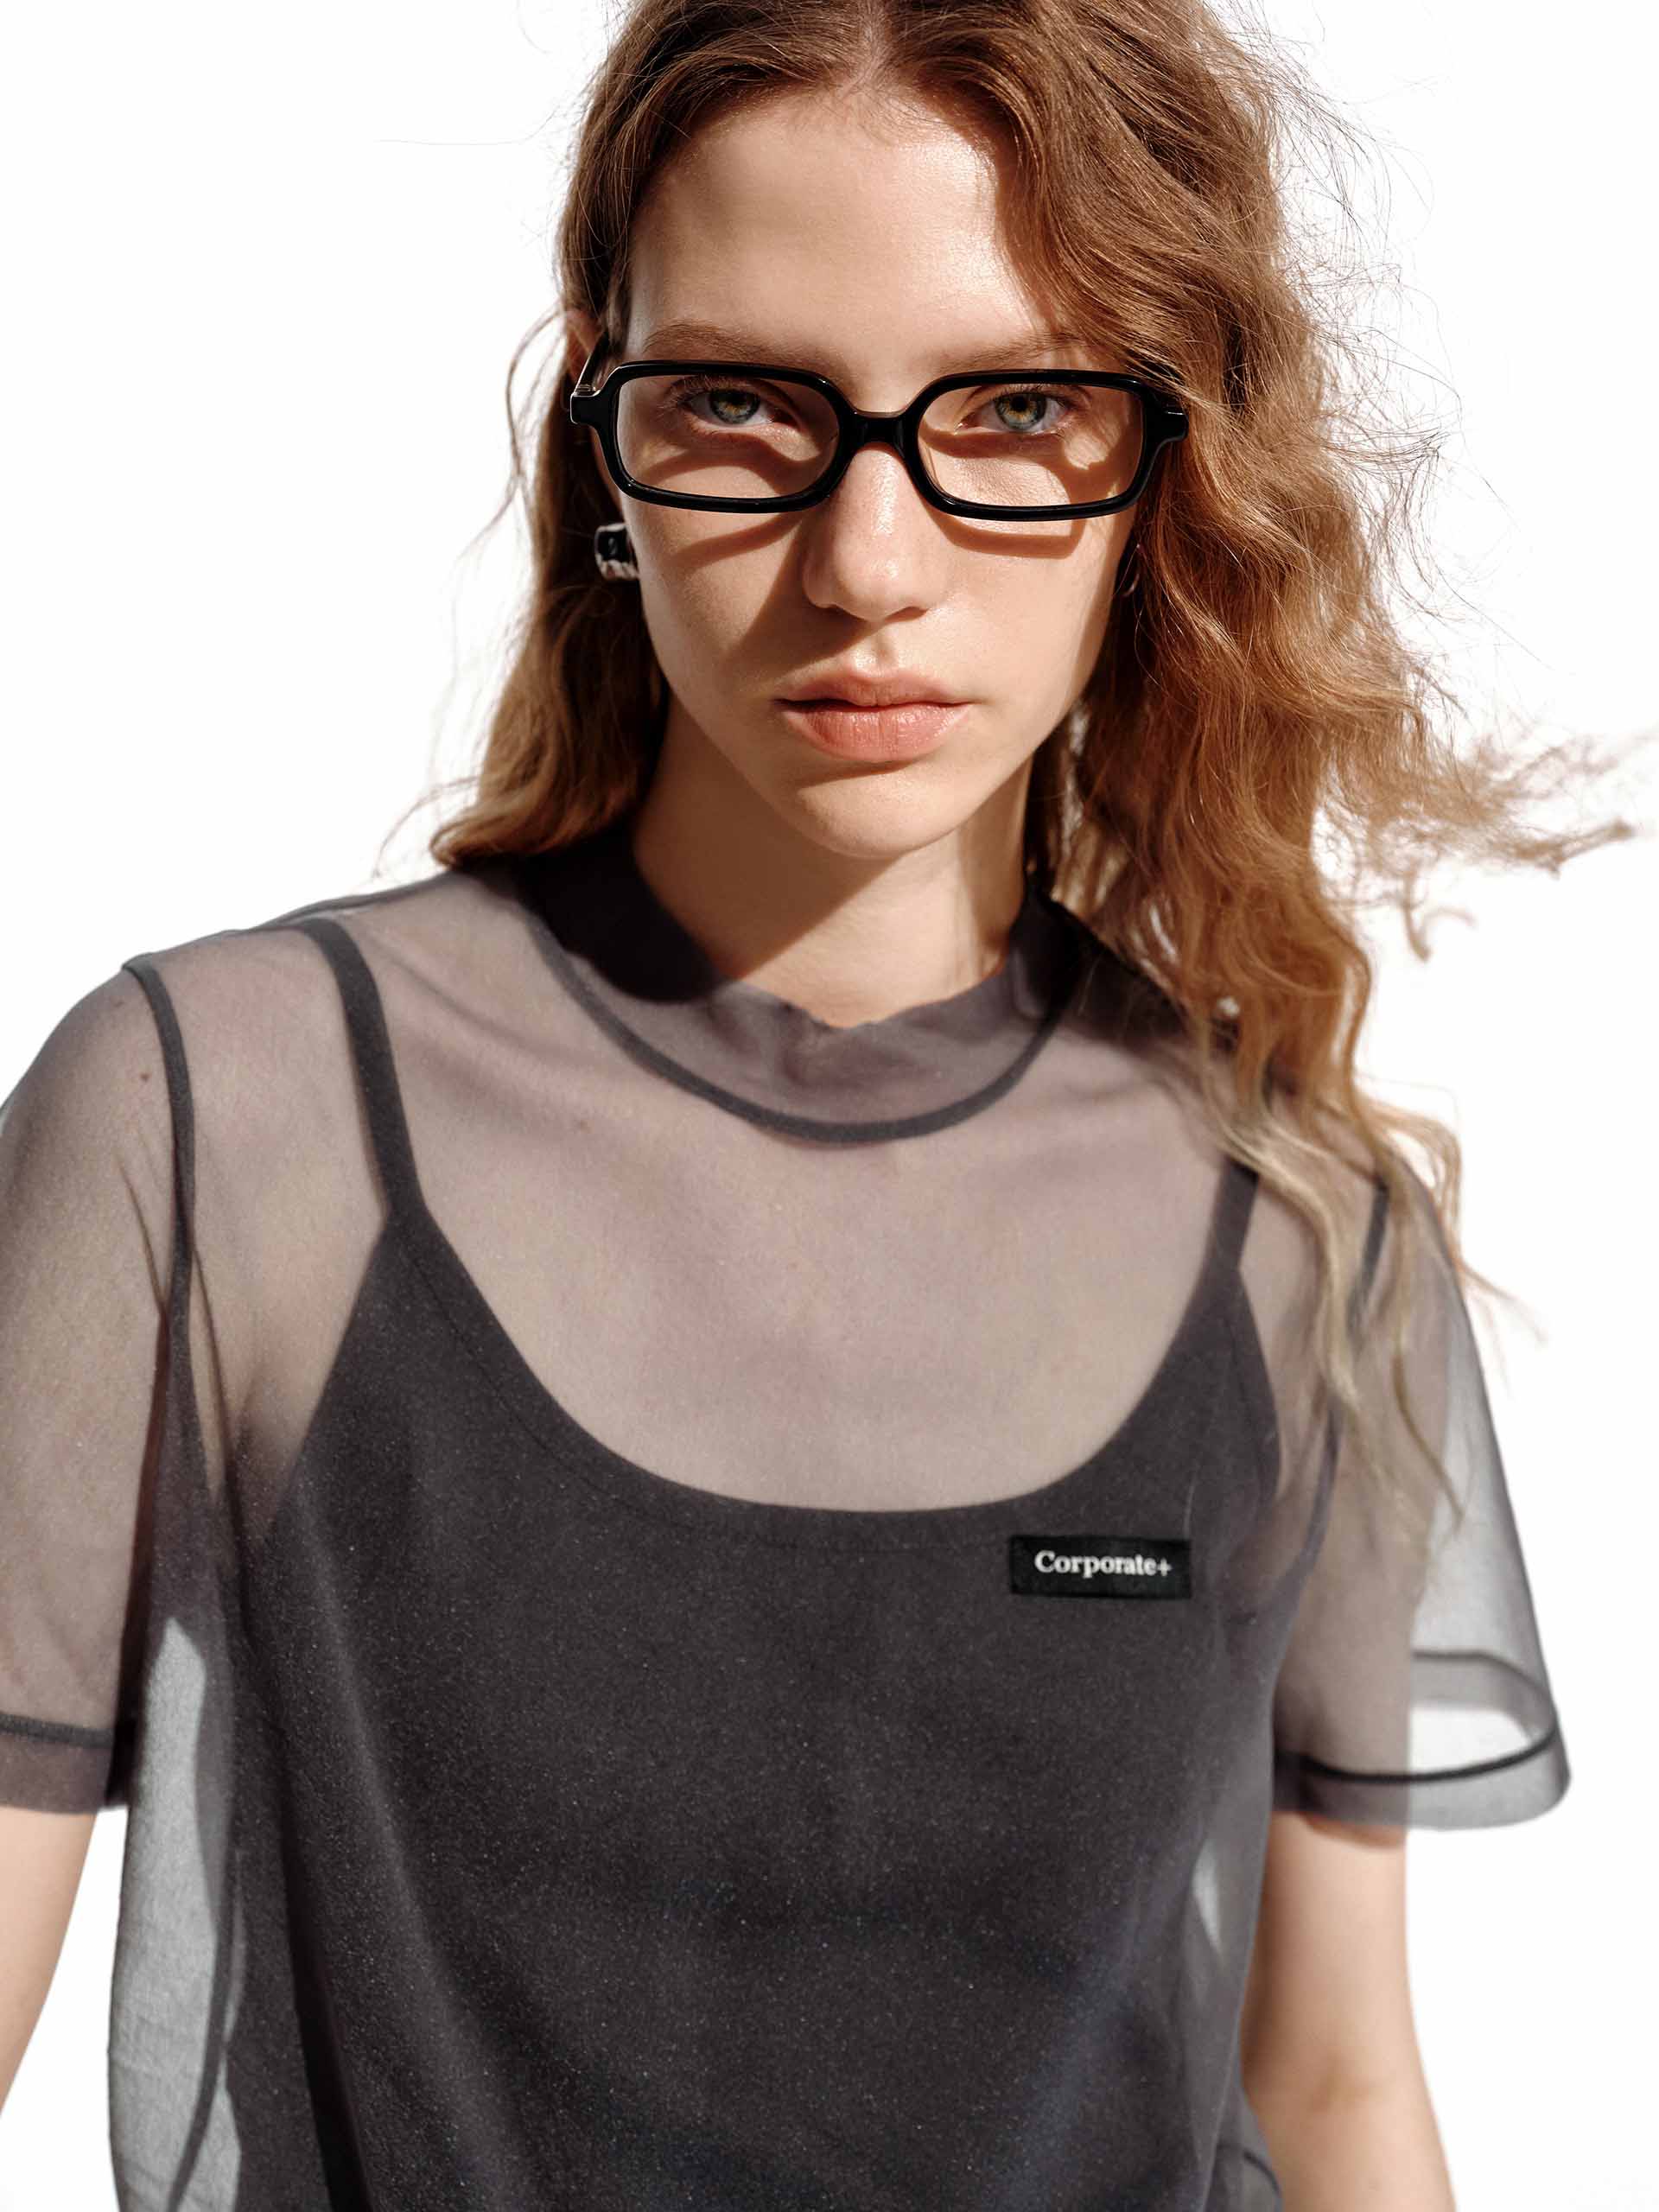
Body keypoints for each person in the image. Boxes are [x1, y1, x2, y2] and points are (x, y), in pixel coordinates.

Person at [0, 1, 1631, 2206]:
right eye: (746, 402)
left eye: (1019, 406)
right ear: (604, 432)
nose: (869, 564)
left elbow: (1340, 2089)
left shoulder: (1292, 1219)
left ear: (1169, 460)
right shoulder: (220, 1129)